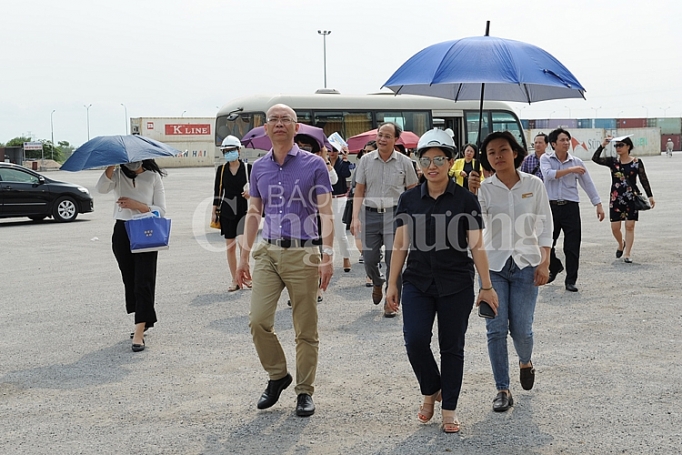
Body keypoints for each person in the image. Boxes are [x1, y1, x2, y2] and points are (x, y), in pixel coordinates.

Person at [386, 128, 498, 433]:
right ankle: (431, 388)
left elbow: (477, 246)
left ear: (451, 162)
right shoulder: (409, 200)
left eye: (439, 159)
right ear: (419, 164)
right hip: (417, 282)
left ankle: (448, 407)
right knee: (415, 340)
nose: (432, 165)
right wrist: (392, 283)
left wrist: (486, 287)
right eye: (426, 160)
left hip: (456, 284)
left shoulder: (465, 200)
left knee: (452, 346)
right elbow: (400, 245)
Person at [236, 104, 334, 417]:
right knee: (258, 320)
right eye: (273, 120)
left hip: (303, 252)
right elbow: (254, 212)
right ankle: (278, 375)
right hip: (267, 250)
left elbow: (326, 212)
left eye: (285, 120)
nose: (279, 124)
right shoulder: (259, 168)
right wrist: (244, 254)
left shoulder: (313, 165)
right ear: (266, 129)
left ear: (296, 128)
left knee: (305, 327)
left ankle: (304, 391)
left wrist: (327, 256)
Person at [469, 131, 553, 413]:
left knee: (522, 330)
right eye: (491, 152)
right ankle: (502, 389)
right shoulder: (483, 188)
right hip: (493, 267)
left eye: (503, 150)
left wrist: (544, 262)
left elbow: (546, 225)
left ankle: (525, 361)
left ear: (515, 152)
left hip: (526, 264)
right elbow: (473, 227)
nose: (497, 156)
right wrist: (471, 195)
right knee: (495, 328)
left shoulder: (534, 184)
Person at [96, 160, 167, 352]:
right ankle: (144, 318)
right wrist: (110, 165)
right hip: (122, 230)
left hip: (146, 229)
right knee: (129, 279)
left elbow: (161, 210)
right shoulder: (118, 175)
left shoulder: (153, 177)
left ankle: (139, 330)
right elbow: (101, 188)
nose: (133, 163)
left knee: (144, 279)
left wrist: (139, 205)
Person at [350, 122, 419, 317]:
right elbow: (359, 190)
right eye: (380, 135)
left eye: (387, 136)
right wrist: (355, 218)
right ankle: (378, 282)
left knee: (394, 259)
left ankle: (391, 302)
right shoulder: (365, 160)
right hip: (369, 214)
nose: (382, 139)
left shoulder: (405, 162)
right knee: (369, 259)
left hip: (395, 215)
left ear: (396, 140)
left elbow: (412, 191)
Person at [540, 128, 604, 292]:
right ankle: (554, 266)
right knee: (547, 242)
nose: (566, 143)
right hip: (551, 207)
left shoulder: (577, 162)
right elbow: (548, 175)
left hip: (570, 208)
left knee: (572, 246)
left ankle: (571, 280)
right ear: (553, 144)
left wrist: (598, 204)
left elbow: (587, 183)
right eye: (562, 140)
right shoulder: (546, 159)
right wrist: (570, 170)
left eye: (568, 140)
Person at [592, 136, 655, 263]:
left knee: (630, 226)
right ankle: (621, 243)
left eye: (621, 145)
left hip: (631, 197)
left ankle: (627, 253)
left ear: (628, 147)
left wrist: (650, 196)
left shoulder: (636, 162)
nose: (618, 148)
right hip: (616, 197)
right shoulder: (612, 161)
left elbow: (643, 179)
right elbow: (595, 158)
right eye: (616, 146)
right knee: (615, 227)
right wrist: (603, 145)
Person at [212, 135, 251, 292]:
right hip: (227, 211)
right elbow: (217, 192)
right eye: (226, 151)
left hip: (244, 210)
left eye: (232, 150)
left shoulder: (248, 168)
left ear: (239, 150)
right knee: (230, 247)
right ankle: (235, 279)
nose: (229, 154)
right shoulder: (221, 170)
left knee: (243, 245)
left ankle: (247, 278)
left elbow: (259, 188)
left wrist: (251, 192)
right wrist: (214, 213)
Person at [328, 144, 353, 272]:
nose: (331, 152)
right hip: (326, 200)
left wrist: (345, 158)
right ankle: (328, 260)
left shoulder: (341, 162)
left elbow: (346, 173)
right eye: (329, 150)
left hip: (341, 198)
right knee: (327, 233)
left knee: (341, 232)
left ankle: (346, 257)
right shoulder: (323, 162)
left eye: (334, 150)